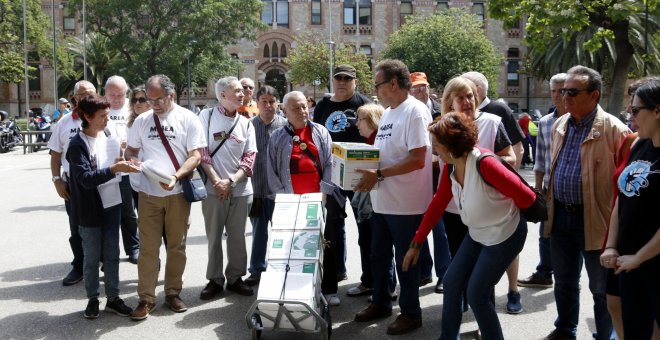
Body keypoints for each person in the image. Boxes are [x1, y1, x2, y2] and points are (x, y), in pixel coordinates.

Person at [402, 111, 535, 340]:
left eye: (436, 143)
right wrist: (416, 242)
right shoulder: (451, 166)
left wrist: (498, 211)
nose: (433, 148)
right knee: (453, 283)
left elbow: (527, 198)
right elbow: (437, 204)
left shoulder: (486, 163)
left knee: (477, 294)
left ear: (451, 144)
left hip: (505, 235)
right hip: (477, 234)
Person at [543, 66, 630, 340]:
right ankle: (565, 330)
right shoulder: (560, 124)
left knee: (601, 287)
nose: (564, 96)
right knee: (564, 282)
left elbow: (626, 185)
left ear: (594, 95)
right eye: (562, 91)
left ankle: (605, 335)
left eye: (571, 91)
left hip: (597, 221)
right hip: (560, 217)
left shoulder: (615, 130)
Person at [352, 59, 433, 335]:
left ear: (394, 84)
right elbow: (382, 154)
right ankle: (382, 302)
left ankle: (411, 314)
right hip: (383, 200)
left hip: (407, 204)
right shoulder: (388, 113)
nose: (375, 90)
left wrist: (380, 174)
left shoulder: (415, 111)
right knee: (378, 255)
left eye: (378, 84)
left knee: (406, 262)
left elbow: (418, 158)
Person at [125, 74, 206, 320]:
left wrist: (177, 176)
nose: (154, 104)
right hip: (148, 194)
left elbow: (196, 156)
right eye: (150, 99)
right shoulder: (142, 121)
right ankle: (146, 299)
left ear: (171, 95)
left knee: (176, 246)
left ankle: (172, 293)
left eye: (158, 99)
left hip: (178, 193)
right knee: (148, 249)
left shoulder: (188, 118)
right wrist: (132, 159)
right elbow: (131, 149)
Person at [66, 94, 140, 319]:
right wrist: (114, 169)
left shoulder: (107, 134)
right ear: (87, 117)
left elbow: (113, 160)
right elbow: (85, 179)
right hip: (90, 209)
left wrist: (124, 158)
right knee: (91, 256)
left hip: (112, 203)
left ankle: (113, 298)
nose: (107, 120)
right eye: (102, 116)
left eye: (108, 115)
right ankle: (92, 299)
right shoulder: (77, 144)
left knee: (112, 254)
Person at [266, 90, 342, 305]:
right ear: (285, 111)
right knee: (292, 247)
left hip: (319, 199)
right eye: (296, 108)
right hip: (290, 201)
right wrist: (284, 200)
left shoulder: (320, 131)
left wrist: (325, 192)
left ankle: (329, 290)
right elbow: (271, 169)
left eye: (304, 106)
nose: (302, 111)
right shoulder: (277, 137)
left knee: (326, 244)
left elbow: (329, 162)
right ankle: (291, 290)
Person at [462, 71, 525, 314]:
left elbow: (516, 150)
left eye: (468, 90)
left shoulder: (498, 110)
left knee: (507, 242)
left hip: (501, 191)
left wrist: (505, 179)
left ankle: (513, 290)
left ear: (478, 89)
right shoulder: (460, 116)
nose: (465, 96)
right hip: (474, 199)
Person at [601, 79, 660, 340]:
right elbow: (622, 200)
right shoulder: (639, 144)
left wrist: (640, 257)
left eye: (635, 110)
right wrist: (612, 246)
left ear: (657, 110)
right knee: (634, 330)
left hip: (653, 263)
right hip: (628, 262)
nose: (630, 115)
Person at [313, 64, 372, 286]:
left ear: (355, 81)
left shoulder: (364, 104)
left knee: (365, 227)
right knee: (333, 227)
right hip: (332, 176)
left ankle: (369, 278)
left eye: (347, 79)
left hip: (359, 176)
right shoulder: (323, 106)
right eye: (338, 78)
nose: (342, 82)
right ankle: (337, 270)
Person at [198, 77, 257, 299]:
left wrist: (231, 182)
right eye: (237, 91)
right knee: (213, 236)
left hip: (240, 189)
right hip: (213, 189)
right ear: (222, 95)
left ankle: (235, 278)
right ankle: (214, 279)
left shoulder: (246, 123)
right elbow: (201, 151)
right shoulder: (206, 116)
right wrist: (217, 181)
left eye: (243, 91)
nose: (242, 94)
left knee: (238, 236)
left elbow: (250, 158)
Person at [518, 73, 568, 289]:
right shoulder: (546, 122)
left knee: (572, 239)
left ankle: (566, 274)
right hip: (549, 189)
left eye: (562, 91)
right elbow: (540, 160)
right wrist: (538, 190)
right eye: (553, 91)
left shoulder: (583, 122)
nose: (557, 96)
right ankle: (544, 272)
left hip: (573, 192)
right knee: (545, 234)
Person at [48, 80, 97, 286]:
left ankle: (99, 262)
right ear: (74, 98)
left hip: (101, 182)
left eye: (90, 93)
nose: (85, 97)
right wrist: (57, 180)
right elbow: (55, 155)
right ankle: (79, 265)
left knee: (104, 227)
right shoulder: (65, 122)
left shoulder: (104, 117)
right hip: (74, 185)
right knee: (76, 227)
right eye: (81, 94)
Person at [346, 103, 397, 298]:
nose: (356, 124)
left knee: (379, 246)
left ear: (372, 121)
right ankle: (371, 282)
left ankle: (385, 288)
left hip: (378, 202)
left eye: (360, 119)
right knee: (368, 241)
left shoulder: (377, 141)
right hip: (371, 201)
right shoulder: (370, 140)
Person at [410, 71, 450, 292]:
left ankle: (444, 274)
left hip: (438, 176)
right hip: (416, 178)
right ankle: (424, 272)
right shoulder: (407, 112)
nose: (420, 90)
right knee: (419, 225)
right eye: (416, 87)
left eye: (423, 86)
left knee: (440, 229)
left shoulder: (441, 112)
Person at [245, 86, 287, 286]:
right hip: (257, 190)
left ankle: (282, 268)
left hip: (280, 192)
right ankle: (257, 269)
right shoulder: (248, 126)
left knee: (282, 235)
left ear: (277, 103)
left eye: (272, 101)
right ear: (257, 102)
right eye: (264, 101)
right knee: (259, 232)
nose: (268, 105)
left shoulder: (286, 126)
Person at [104, 75, 140, 264]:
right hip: (108, 170)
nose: (117, 98)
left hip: (131, 169)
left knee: (129, 212)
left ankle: (133, 247)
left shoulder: (132, 107)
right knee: (109, 214)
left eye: (120, 94)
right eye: (112, 94)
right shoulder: (101, 109)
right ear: (105, 93)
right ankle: (109, 254)